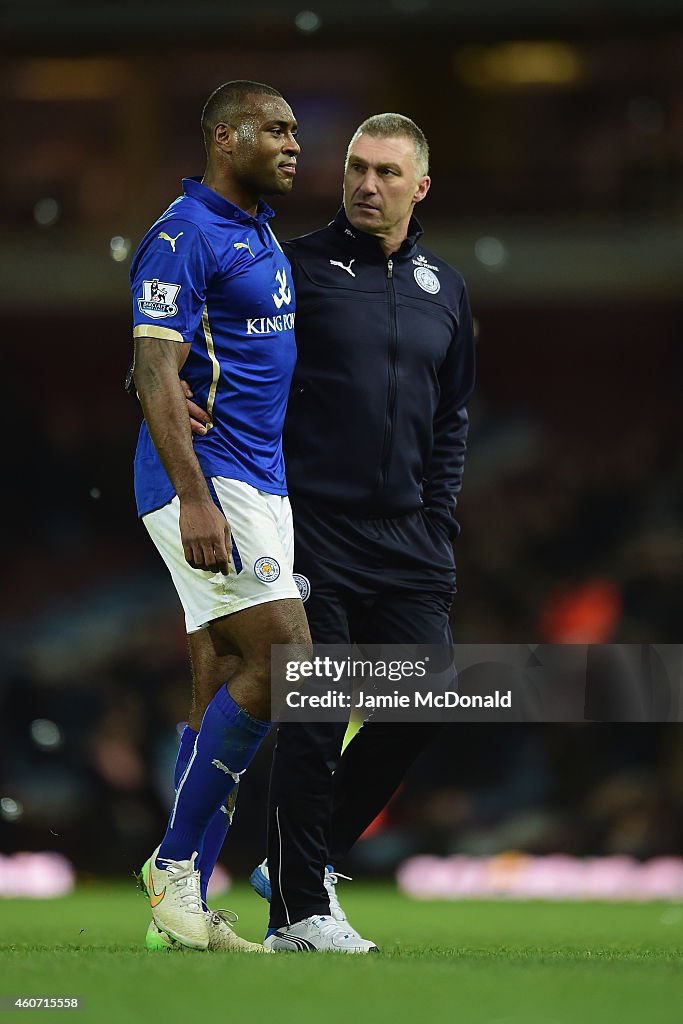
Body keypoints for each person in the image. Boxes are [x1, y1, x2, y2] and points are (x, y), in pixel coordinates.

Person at [176, 113, 476, 952]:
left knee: (426, 700)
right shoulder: (291, 266)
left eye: (385, 173)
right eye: (355, 168)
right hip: (311, 528)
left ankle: (301, 865)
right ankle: (298, 915)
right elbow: (192, 337)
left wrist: (438, 519)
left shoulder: (444, 289)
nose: (365, 186)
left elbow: (450, 418)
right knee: (316, 712)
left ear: (418, 188)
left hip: (409, 537)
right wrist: (172, 390)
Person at [129, 80, 312, 953]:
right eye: (274, 130)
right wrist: (197, 495)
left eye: (294, 132)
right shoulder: (183, 232)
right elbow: (155, 366)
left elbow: (182, 358)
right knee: (285, 662)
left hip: (260, 484)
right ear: (225, 135)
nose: (292, 144)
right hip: (210, 485)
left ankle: (184, 910)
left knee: (216, 692)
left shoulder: (256, 231)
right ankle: (170, 863)